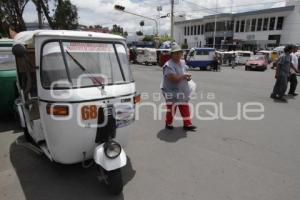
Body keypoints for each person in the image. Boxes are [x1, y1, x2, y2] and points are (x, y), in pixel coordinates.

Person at [161, 43, 197, 131]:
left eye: (179, 53)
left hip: (182, 90)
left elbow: (184, 72)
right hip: (171, 91)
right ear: (171, 54)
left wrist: (188, 78)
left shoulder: (182, 62)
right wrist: (184, 76)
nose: (178, 55)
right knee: (172, 108)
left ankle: (187, 124)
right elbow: (173, 79)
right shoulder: (168, 65)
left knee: (184, 107)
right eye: (175, 53)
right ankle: (168, 123)